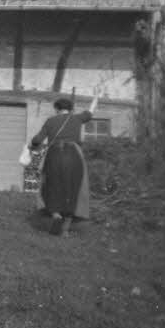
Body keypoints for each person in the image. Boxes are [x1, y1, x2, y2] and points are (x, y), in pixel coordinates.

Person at [28, 94, 98, 236]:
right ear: (71, 109)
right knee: (73, 187)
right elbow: (90, 112)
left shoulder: (50, 121)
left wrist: (32, 145)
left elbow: (37, 139)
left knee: (52, 185)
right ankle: (65, 227)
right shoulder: (77, 118)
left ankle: (55, 215)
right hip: (73, 155)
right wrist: (96, 97)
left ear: (57, 109)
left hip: (54, 155)